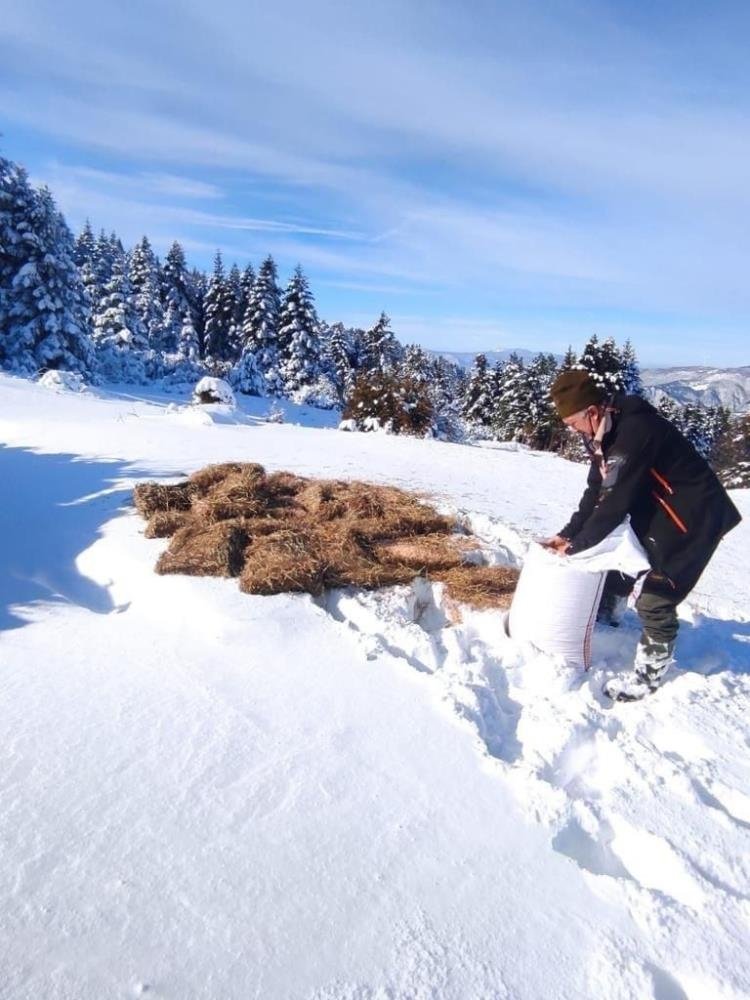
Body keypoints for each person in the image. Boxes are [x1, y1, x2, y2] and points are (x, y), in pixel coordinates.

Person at [543, 369, 741, 702]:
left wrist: (579, 547)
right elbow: (597, 491)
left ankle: (649, 674)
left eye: (573, 423)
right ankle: (609, 615)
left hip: (694, 517)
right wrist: (568, 534)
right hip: (661, 509)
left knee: (657, 595)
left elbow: (615, 501)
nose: (572, 430)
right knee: (619, 557)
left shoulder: (636, 430)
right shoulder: (601, 432)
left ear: (591, 411)